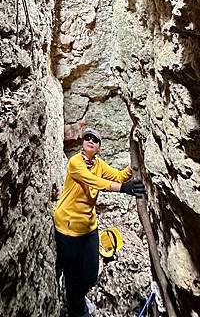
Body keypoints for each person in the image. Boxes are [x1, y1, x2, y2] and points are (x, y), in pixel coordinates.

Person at [53, 127, 146, 317]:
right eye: (87, 138)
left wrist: (134, 166)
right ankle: (77, 310)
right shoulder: (75, 162)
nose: (90, 141)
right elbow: (92, 182)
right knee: (73, 276)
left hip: (89, 226)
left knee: (90, 275)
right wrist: (123, 189)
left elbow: (118, 176)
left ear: (98, 148)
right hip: (68, 228)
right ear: (82, 143)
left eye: (94, 140)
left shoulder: (99, 164)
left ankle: (77, 295)